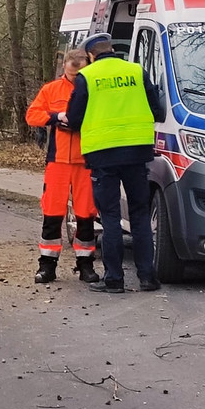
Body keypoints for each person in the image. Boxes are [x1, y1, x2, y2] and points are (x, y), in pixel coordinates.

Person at [63, 33, 166, 293]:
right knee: (140, 215)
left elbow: (74, 119)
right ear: (113, 49)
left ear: (90, 55)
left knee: (110, 217)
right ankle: (147, 278)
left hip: (103, 155)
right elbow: (158, 110)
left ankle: (114, 279)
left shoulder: (89, 76)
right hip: (136, 153)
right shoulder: (136, 71)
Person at [26, 49, 99, 284]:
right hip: (58, 160)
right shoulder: (51, 89)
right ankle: (47, 266)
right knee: (52, 212)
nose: (75, 78)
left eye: (79, 74)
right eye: (71, 73)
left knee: (86, 213)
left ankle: (85, 264)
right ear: (64, 68)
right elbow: (32, 115)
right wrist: (56, 117)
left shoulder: (94, 87)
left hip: (86, 159)